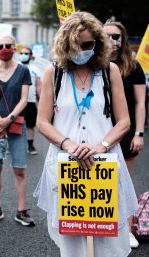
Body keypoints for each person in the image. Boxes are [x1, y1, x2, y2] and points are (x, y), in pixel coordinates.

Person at [34, 12, 138, 257]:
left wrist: (100, 146)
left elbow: (124, 122)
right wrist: (69, 145)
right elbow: (42, 122)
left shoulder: (109, 71)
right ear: (65, 44)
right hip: (65, 164)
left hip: (104, 163)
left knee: (107, 240)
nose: (82, 49)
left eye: (89, 44)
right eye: (76, 44)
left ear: (99, 43)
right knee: (71, 240)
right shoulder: (54, 72)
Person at [0, 35, 35, 226]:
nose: (4, 49)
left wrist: (9, 119)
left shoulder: (23, 71)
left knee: (19, 169)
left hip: (16, 125)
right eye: (0, 46)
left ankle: (21, 210)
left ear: (14, 47)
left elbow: (24, 99)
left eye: (8, 45)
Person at [103, 20, 146, 249]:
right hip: (99, 132)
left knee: (124, 183)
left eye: (117, 36)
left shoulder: (133, 66)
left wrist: (139, 133)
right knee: (101, 183)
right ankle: (104, 227)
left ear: (124, 38)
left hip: (126, 132)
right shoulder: (94, 64)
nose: (113, 40)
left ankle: (128, 228)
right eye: (107, 35)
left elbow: (140, 104)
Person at [19, 47, 42, 155]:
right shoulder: (16, 66)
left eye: (26, 53)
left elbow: (38, 86)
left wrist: (41, 100)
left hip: (30, 101)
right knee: (14, 123)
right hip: (16, 102)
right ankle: (12, 145)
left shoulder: (35, 69)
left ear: (30, 55)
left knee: (30, 125)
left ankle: (30, 145)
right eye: (22, 53)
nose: (23, 54)